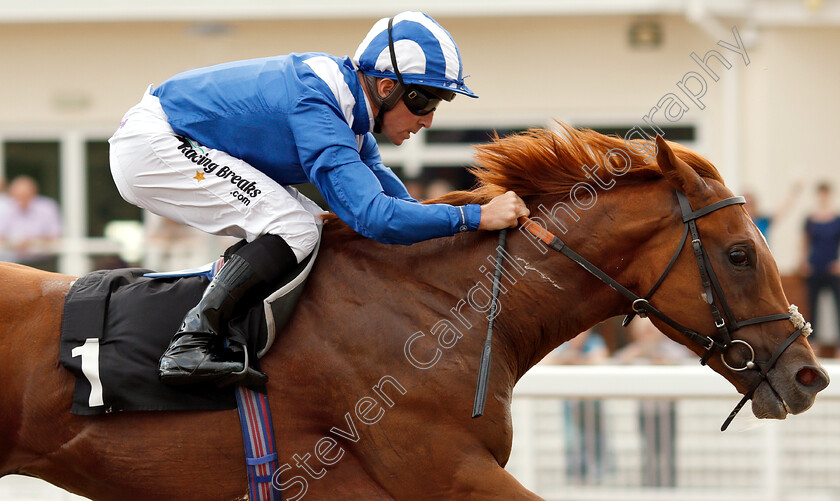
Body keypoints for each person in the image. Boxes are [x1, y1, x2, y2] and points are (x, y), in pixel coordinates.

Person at [108, 11, 529, 386]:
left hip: (169, 139)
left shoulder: (349, 106)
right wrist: (474, 217)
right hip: (153, 145)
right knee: (294, 226)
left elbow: (386, 190)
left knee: (310, 224)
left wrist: (453, 227)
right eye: (426, 99)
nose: (429, 119)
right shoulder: (320, 105)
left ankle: (231, 329)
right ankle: (191, 342)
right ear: (386, 87)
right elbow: (376, 218)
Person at [799, 182, 840, 358]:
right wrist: (803, 261)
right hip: (814, 266)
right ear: (818, 195)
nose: (823, 197)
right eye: (820, 194)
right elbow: (804, 241)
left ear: (829, 195)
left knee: (838, 306)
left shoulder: (837, 219)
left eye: (825, 194)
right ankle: (812, 344)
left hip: (833, 268)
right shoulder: (809, 219)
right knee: (812, 306)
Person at [0, 175, 62, 267]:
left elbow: (56, 234)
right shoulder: (5, 208)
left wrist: (32, 241)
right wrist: (14, 243)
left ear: (34, 193)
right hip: (13, 262)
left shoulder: (47, 207)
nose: (21, 199)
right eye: (18, 196)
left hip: (43, 262)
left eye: (25, 195)